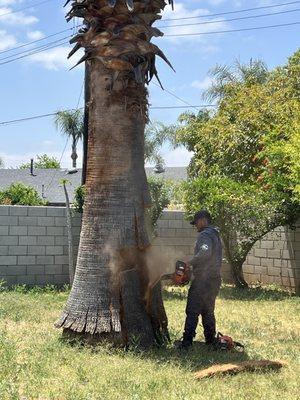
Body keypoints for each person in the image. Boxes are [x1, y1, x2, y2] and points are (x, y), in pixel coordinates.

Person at [179, 209, 222, 349]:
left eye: (196, 223)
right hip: (214, 279)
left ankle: (186, 342)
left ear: (203, 220)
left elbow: (204, 252)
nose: (196, 226)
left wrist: (189, 263)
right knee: (207, 309)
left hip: (203, 280)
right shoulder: (215, 234)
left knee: (192, 310)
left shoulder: (205, 235)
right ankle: (210, 340)